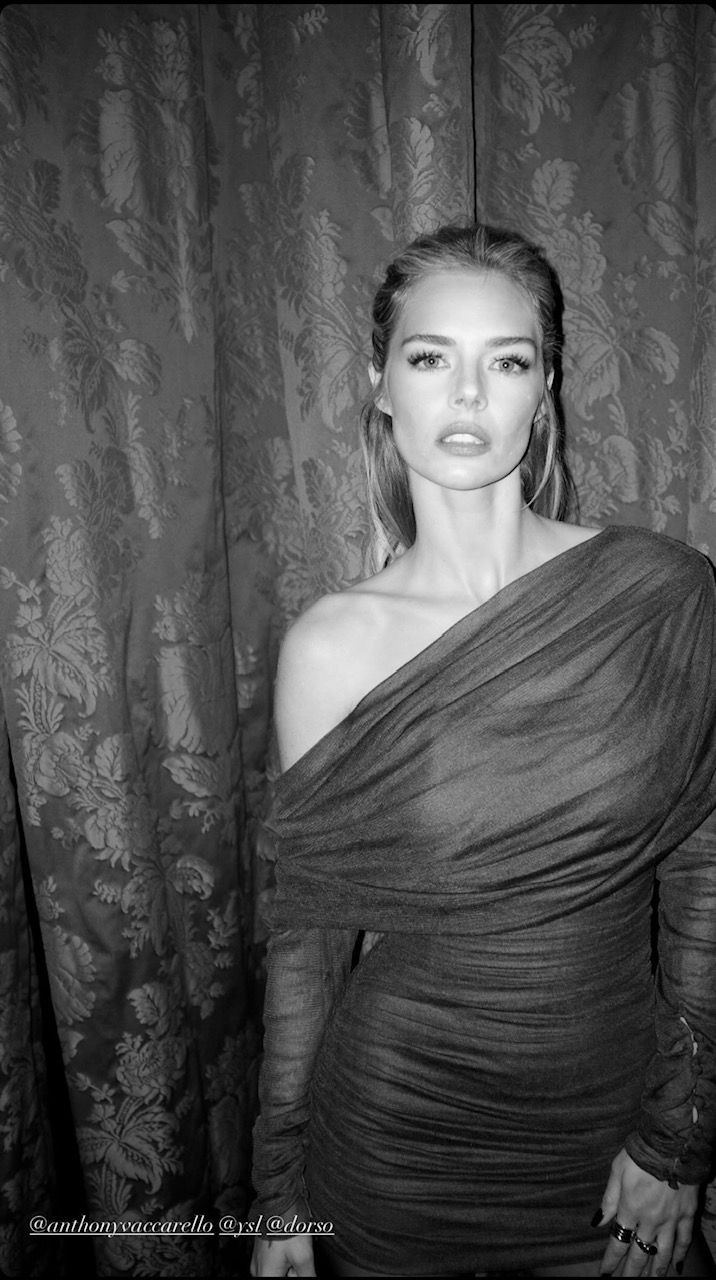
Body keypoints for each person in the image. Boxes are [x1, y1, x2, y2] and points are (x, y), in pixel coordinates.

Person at [249, 222, 716, 1278]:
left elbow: (704, 876)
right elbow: (308, 940)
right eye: (429, 358)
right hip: (394, 1147)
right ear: (379, 384)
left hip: (615, 1128)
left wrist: (676, 1136)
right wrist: (278, 1196)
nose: (466, 394)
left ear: (545, 388)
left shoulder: (662, 595)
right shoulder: (330, 645)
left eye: (505, 362)